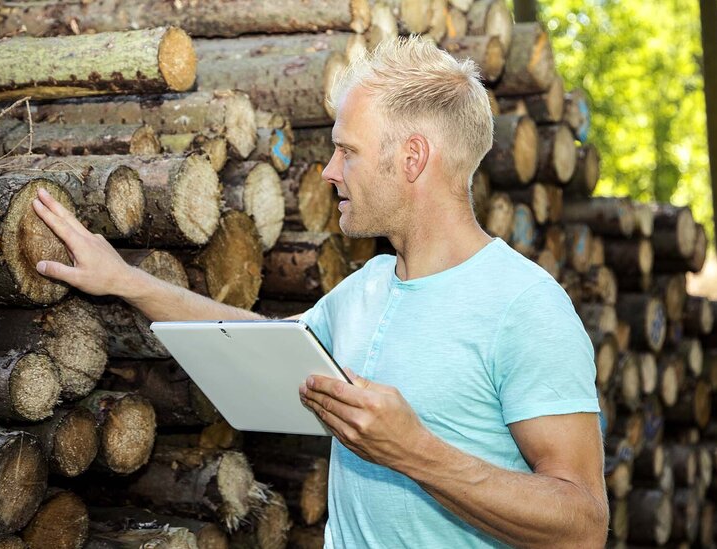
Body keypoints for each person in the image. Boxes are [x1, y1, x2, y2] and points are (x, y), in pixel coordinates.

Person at [32, 36, 608, 548]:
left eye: (347, 151)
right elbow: (254, 342)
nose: (329, 171)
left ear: (412, 158)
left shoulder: (525, 307)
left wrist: (415, 451)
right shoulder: (369, 285)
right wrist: (124, 279)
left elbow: (583, 525)